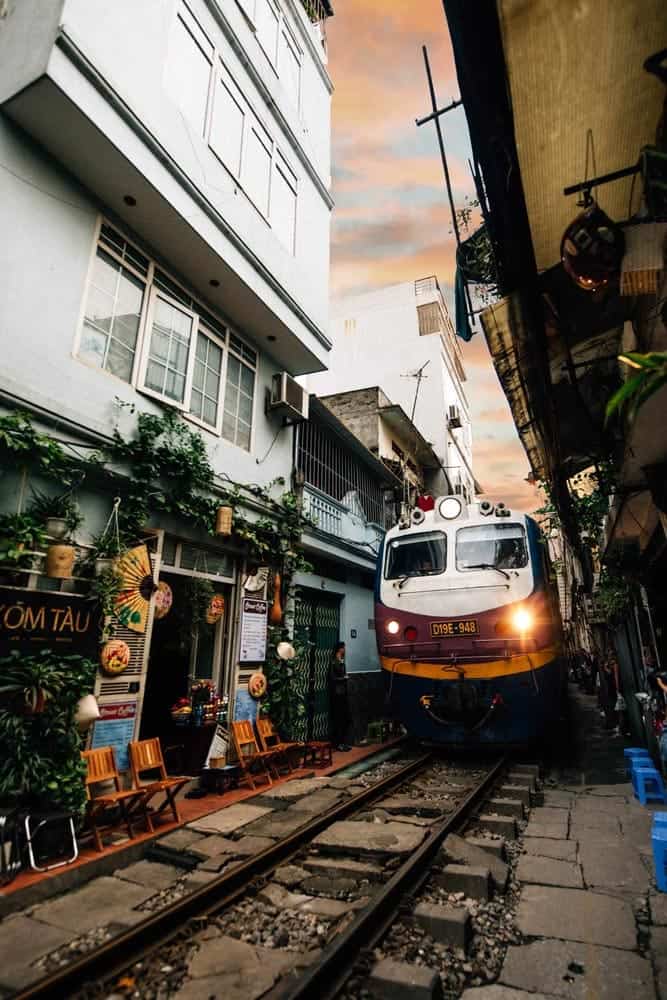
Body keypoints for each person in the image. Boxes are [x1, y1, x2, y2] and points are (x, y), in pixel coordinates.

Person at [328, 641, 351, 752]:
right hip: (337, 694)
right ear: (339, 649)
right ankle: (337, 743)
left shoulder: (341, 661)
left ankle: (342, 742)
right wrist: (344, 678)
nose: (345, 650)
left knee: (344, 719)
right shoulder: (333, 662)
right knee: (338, 718)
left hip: (342, 693)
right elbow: (332, 678)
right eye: (343, 648)